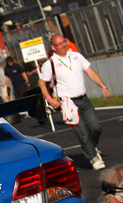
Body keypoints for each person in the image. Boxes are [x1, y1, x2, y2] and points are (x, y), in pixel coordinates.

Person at [38, 34, 111, 170]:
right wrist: (49, 99)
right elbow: (41, 83)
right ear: (53, 47)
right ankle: (93, 158)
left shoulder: (76, 56)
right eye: (59, 44)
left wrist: (103, 86)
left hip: (83, 98)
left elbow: (90, 72)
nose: (63, 45)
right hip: (68, 102)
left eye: (64, 42)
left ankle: (91, 148)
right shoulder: (50, 63)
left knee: (96, 127)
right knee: (82, 132)